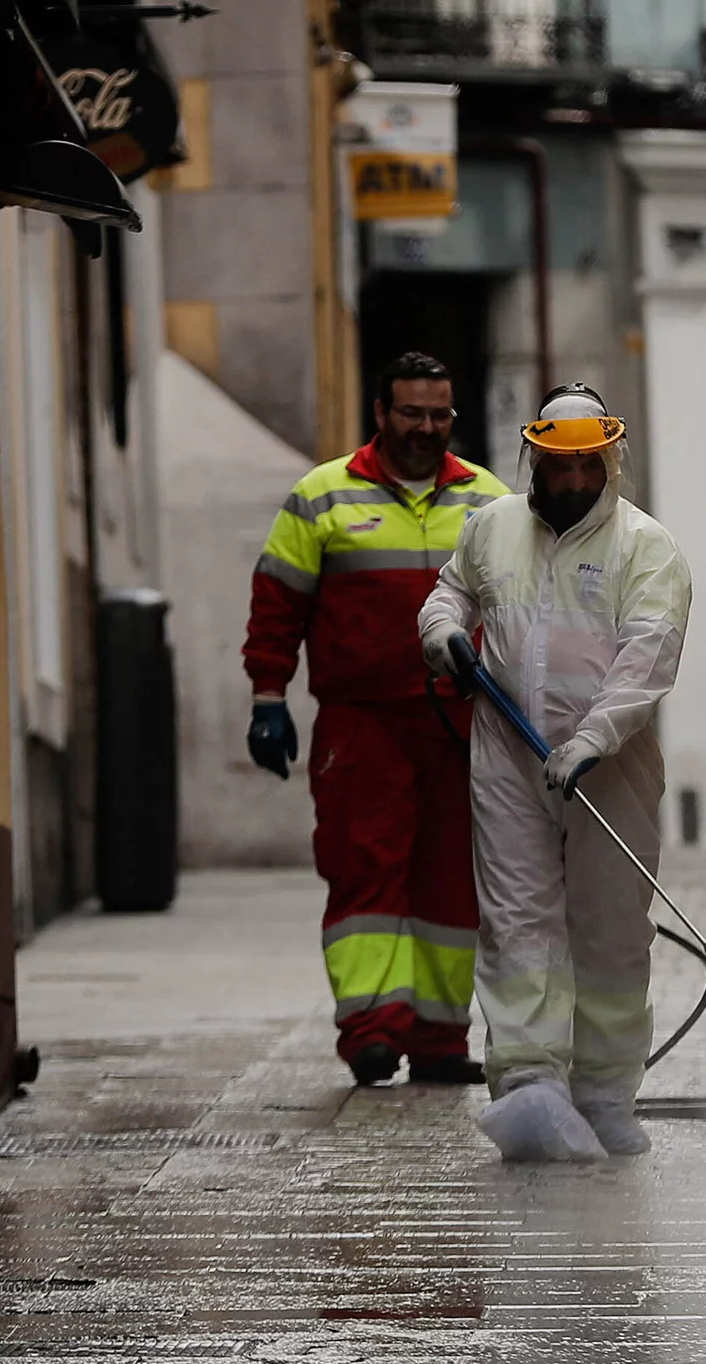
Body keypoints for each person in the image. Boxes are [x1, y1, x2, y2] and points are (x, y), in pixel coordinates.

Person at [418, 384, 692, 1161]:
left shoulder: (647, 548)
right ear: (533, 459)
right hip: (508, 757)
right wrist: (442, 632)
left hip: (610, 770)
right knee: (517, 923)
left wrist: (594, 737)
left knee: (610, 931)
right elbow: (450, 592)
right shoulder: (491, 528)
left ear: (609, 462)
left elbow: (649, 655)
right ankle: (530, 1084)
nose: (571, 480)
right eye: (558, 465)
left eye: (586, 465)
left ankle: (604, 1094)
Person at [243, 353, 509, 1088]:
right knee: (366, 875)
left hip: (461, 726)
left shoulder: (489, 500)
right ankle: (371, 1030)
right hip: (363, 727)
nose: (426, 428)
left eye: (439, 414)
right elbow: (278, 603)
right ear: (381, 413)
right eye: (412, 413)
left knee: (452, 885)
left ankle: (440, 1037)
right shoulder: (322, 497)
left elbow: (522, 609)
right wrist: (268, 696)